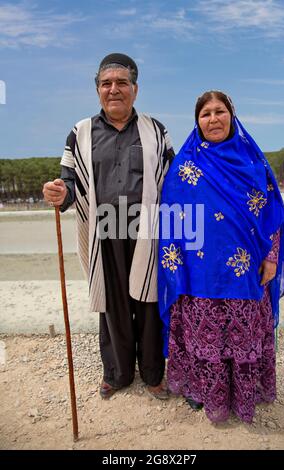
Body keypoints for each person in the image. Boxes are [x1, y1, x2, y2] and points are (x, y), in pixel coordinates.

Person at [43, 53, 174, 400]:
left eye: (122, 83)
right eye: (106, 83)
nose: (114, 89)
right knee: (112, 302)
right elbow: (70, 181)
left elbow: (173, 182)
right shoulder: (80, 132)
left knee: (148, 300)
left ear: (135, 88)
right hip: (103, 229)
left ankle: (152, 374)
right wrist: (60, 193)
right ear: (98, 89)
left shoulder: (156, 130)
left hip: (147, 229)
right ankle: (117, 374)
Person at [158, 90, 284, 422]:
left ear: (232, 116)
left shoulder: (252, 162)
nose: (213, 118)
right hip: (198, 273)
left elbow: (273, 215)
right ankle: (205, 393)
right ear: (197, 120)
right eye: (206, 113)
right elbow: (171, 216)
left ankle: (245, 396)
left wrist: (273, 257)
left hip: (245, 272)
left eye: (220, 111)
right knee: (203, 337)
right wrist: (175, 266)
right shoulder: (185, 164)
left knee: (243, 335)